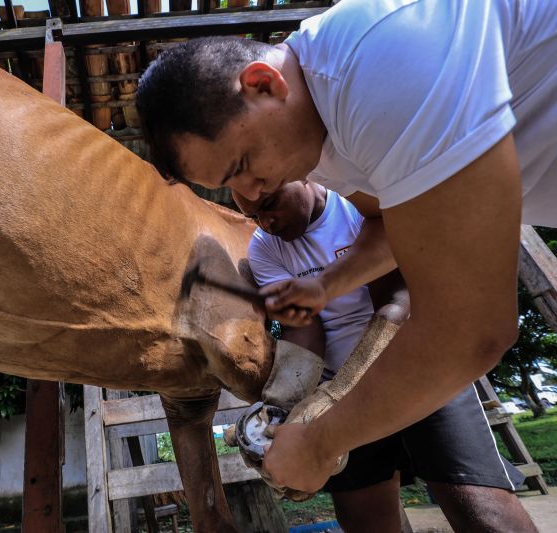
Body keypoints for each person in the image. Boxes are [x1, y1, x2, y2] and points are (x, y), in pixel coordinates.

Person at [135, 0, 557, 496]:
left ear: (263, 84)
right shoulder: (321, 140)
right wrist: (327, 284)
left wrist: (318, 444)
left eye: (243, 164)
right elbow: (385, 223)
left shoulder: (378, 69)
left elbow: (471, 329)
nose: (250, 194)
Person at [235, 180, 534, 532]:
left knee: (482, 512)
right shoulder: (264, 246)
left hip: (421, 370)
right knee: (365, 523)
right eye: (254, 216)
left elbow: (397, 306)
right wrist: (280, 409)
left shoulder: (360, 207)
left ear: (300, 176)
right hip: (340, 393)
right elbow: (304, 330)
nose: (266, 222)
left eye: (270, 204)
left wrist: (334, 397)